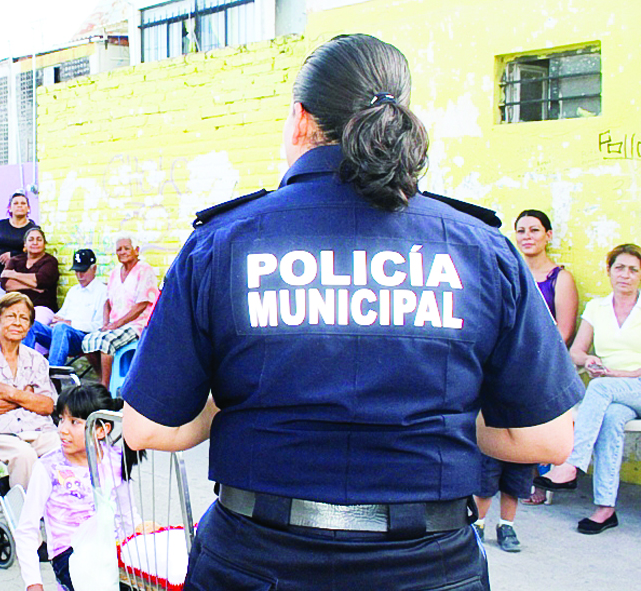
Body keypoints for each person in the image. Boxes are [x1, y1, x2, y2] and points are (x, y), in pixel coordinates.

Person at [120, 34, 581, 590]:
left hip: (255, 562)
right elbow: (547, 439)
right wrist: (445, 418)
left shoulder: (223, 242)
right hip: (429, 567)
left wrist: (235, 403)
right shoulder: (480, 247)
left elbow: (146, 428)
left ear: (299, 120)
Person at [473, 210, 579, 547]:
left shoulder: (560, 278)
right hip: (497, 375)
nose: (527, 236)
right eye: (521, 230)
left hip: (532, 372)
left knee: (519, 462)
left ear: (548, 235)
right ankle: (478, 524)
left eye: (535, 230)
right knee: (488, 462)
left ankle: (507, 524)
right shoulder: (503, 270)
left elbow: (561, 334)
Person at [536, 243, 641, 535]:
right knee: (611, 418)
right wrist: (590, 361)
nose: (626, 275)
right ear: (609, 271)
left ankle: (571, 464)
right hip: (614, 394)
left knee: (600, 388)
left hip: (633, 386)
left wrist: (614, 374)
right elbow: (576, 352)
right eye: (620, 268)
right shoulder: (598, 308)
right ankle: (605, 509)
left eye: (633, 270)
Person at [14, 383, 134, 591]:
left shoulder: (116, 460)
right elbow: (26, 529)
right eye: (61, 419)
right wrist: (33, 583)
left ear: (101, 430)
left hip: (111, 548)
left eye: (74, 422)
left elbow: (128, 516)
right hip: (68, 553)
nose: (62, 430)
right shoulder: (49, 467)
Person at [0, 292, 60, 490]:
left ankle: (63, 503)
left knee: (69, 444)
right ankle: (24, 507)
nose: (17, 323)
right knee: (24, 455)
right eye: (11, 316)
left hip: (36, 428)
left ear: (29, 326)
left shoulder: (37, 360)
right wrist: (27, 397)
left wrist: (10, 393)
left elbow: (47, 406)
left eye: (24, 318)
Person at [80, 236, 159, 386]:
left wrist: (116, 324)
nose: (122, 252)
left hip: (137, 324)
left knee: (106, 343)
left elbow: (141, 304)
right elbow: (107, 302)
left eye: (126, 248)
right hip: (115, 325)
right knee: (87, 341)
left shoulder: (145, 270)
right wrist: (106, 324)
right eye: (119, 249)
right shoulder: (115, 273)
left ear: (136, 250)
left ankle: (105, 387)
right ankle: (103, 378)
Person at [25, 249, 108, 366]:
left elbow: (99, 326)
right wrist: (56, 319)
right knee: (30, 324)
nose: (79, 275)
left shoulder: (103, 292)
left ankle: (54, 369)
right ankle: (23, 366)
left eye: (83, 271)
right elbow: (61, 315)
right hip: (60, 334)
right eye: (77, 271)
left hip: (83, 338)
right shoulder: (73, 291)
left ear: (94, 269)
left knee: (62, 328)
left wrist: (70, 324)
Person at [0, 192, 37, 311]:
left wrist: (14, 255)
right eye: (16, 203)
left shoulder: (32, 229)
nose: (19, 206)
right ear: (10, 208)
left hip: (19, 280)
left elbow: (35, 252)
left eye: (23, 203)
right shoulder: (0, 225)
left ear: (28, 208)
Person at [1, 227, 60, 326]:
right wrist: (33, 286)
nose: (35, 243)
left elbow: (42, 281)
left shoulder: (50, 261)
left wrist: (14, 275)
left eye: (39, 239)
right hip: (15, 306)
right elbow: (6, 284)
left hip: (41, 308)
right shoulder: (15, 260)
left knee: (32, 324)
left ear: (44, 243)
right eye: (31, 240)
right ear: (25, 244)